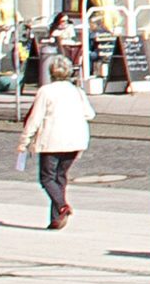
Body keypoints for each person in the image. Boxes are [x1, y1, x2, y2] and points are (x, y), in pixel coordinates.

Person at [16, 56, 95, 229]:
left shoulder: (46, 91)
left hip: (52, 140)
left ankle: (61, 206)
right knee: (60, 177)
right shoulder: (77, 91)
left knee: (46, 178)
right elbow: (90, 114)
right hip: (75, 140)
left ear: (51, 72)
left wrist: (24, 141)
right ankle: (55, 219)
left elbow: (35, 119)